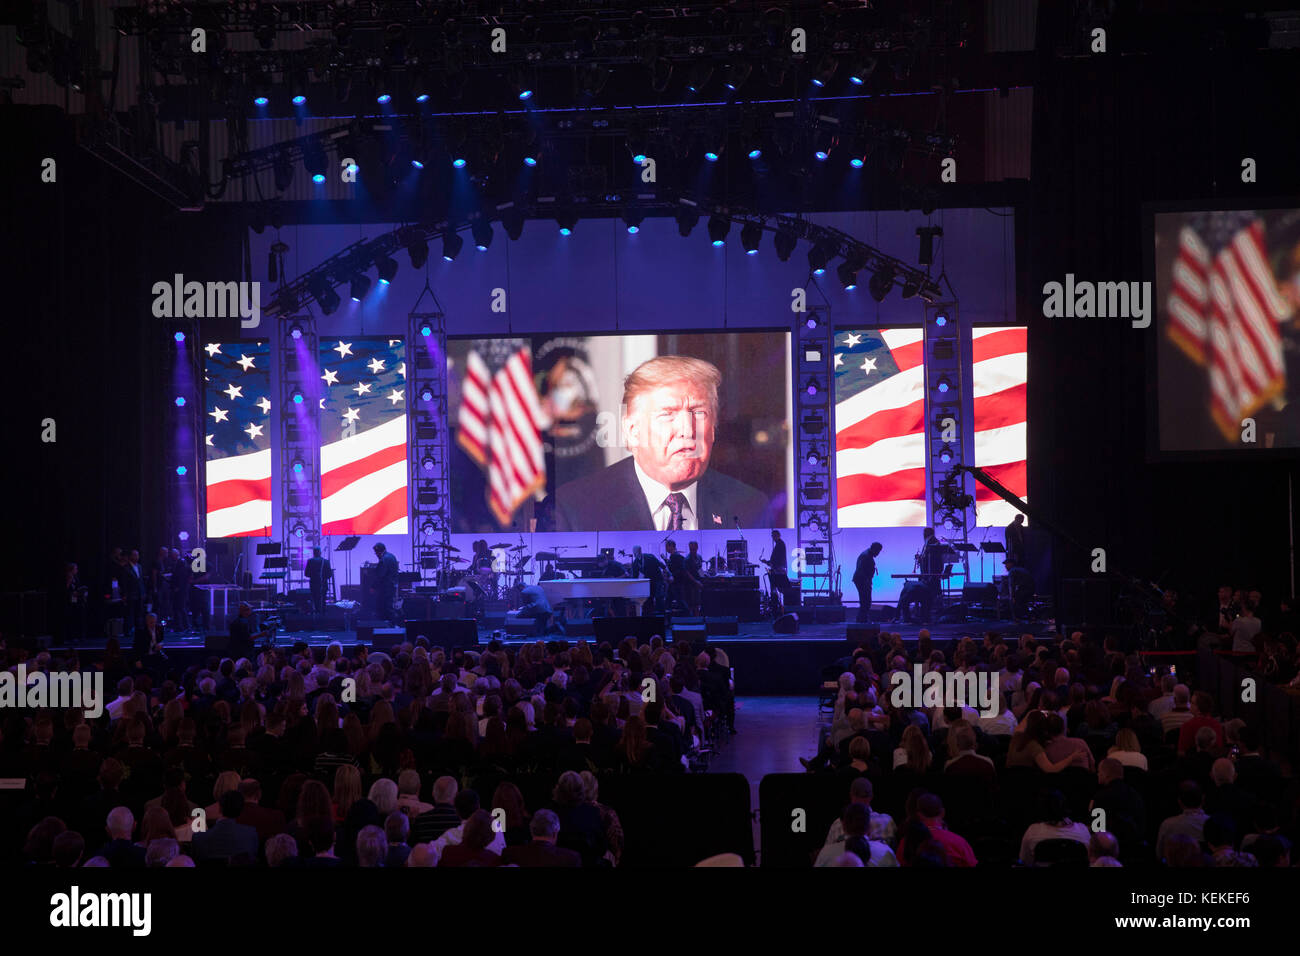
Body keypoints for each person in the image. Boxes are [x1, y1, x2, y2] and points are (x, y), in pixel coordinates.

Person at [554, 355, 773, 531]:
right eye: (668, 414)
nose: (687, 430)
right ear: (632, 431)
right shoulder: (573, 510)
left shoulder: (751, 507)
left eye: (698, 412)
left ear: (713, 429)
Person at [631, 545, 668, 614]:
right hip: (648, 581)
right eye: (634, 552)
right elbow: (635, 575)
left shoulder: (649, 557)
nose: (634, 553)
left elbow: (660, 564)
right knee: (649, 597)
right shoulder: (635, 562)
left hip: (657, 579)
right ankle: (650, 613)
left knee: (658, 596)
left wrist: (667, 572)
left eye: (636, 551)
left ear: (640, 551)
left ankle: (662, 614)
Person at [853, 542, 882, 623]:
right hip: (862, 581)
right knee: (865, 601)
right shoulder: (866, 556)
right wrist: (866, 582)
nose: (878, 553)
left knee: (865, 600)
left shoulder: (867, 555)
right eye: (878, 551)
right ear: (874, 549)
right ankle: (862, 620)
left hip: (863, 580)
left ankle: (862, 619)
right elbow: (861, 570)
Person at [371, 542, 399, 623]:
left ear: (378, 551)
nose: (376, 554)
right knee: (389, 605)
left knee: (384, 607)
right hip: (392, 585)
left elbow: (380, 575)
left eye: (376, 552)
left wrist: (373, 586)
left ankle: (390, 624)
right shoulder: (392, 556)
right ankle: (393, 625)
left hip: (385, 587)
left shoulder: (383, 559)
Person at [305, 547, 332, 614]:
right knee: (323, 600)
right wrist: (323, 577)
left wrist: (314, 575)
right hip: (323, 584)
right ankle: (323, 614)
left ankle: (317, 613)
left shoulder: (310, 561)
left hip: (313, 584)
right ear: (320, 552)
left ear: (314, 553)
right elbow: (329, 574)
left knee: (315, 600)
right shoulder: (326, 561)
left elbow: (306, 574)